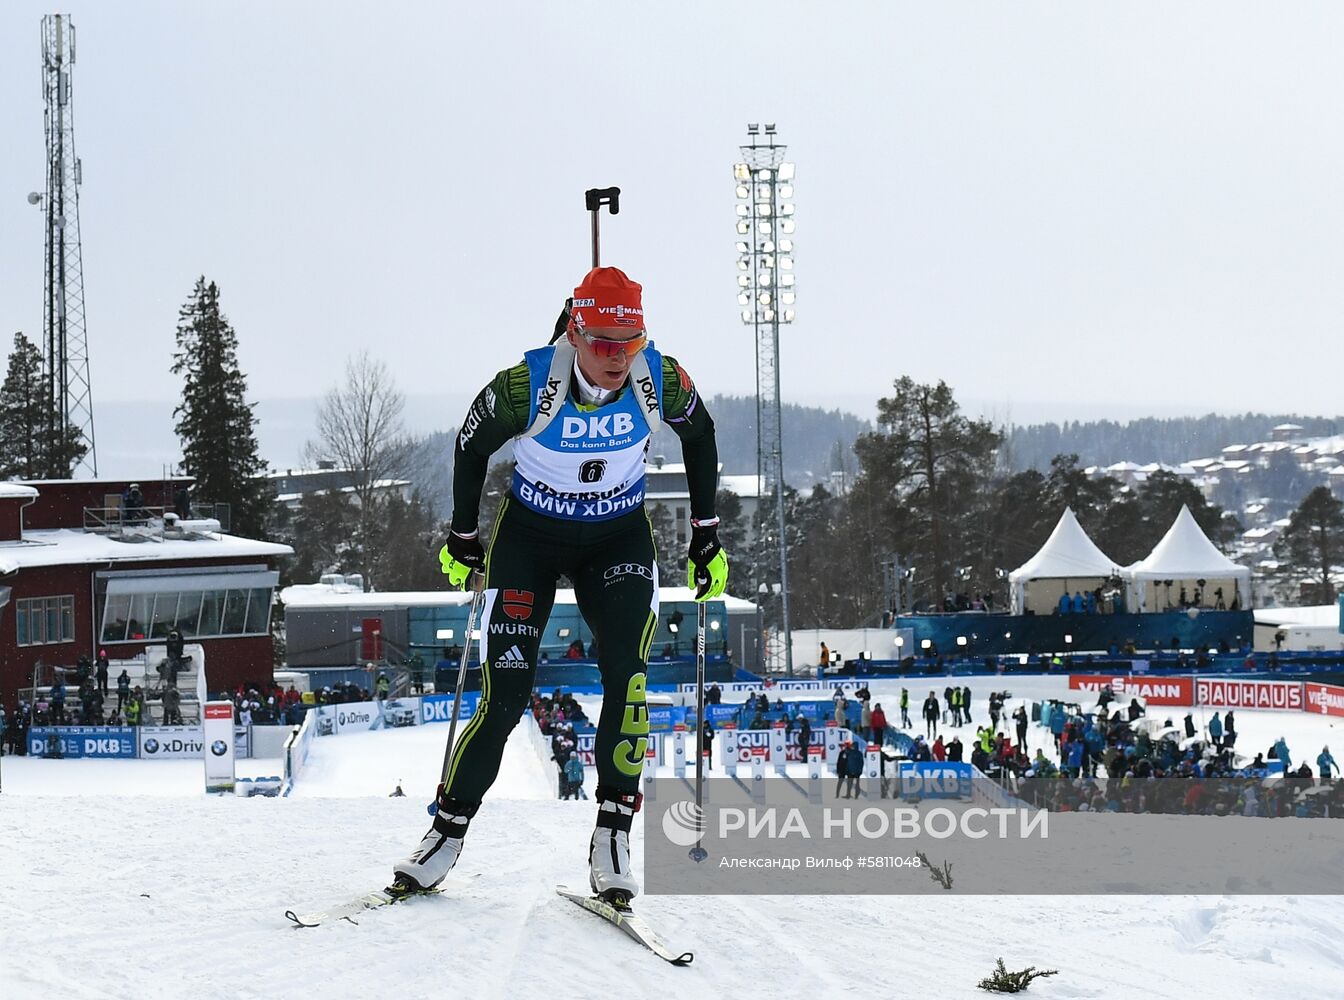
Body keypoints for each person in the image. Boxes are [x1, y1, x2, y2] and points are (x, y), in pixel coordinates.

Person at [393, 267, 729, 902]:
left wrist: (706, 533)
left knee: (629, 680)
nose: (614, 358)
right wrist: (463, 536)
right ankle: (446, 831)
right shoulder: (527, 385)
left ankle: (613, 834)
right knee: (506, 694)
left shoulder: (659, 376)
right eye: (600, 342)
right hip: (532, 539)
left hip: (617, 537)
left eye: (627, 343)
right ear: (574, 332)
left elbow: (701, 433)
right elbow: (471, 447)